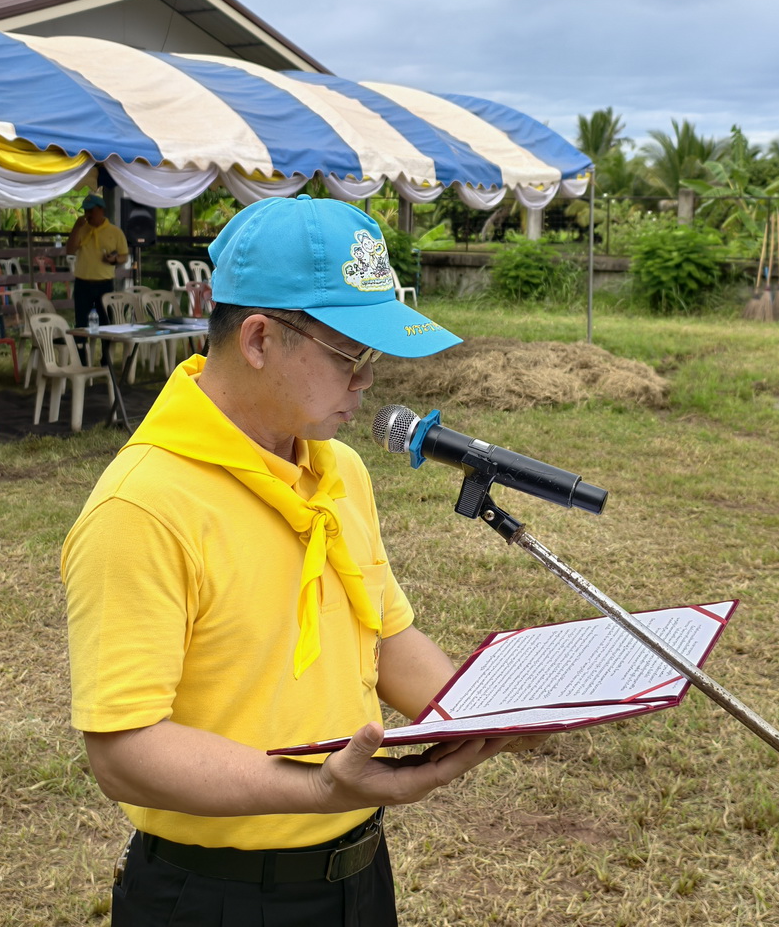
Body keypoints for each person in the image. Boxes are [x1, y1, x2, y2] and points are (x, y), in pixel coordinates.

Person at [63, 195, 519, 927]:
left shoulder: (336, 468)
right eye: (351, 356)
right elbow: (124, 749)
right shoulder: (144, 506)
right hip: (215, 896)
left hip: (358, 873)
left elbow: (383, 636)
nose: (368, 382)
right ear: (257, 339)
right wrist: (315, 790)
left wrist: (502, 711)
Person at [66, 193, 128, 328]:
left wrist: (114, 259)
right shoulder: (81, 229)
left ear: (101, 210)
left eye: (91, 210)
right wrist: (76, 227)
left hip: (104, 284)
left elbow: (124, 256)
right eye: (85, 211)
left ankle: (106, 349)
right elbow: (70, 250)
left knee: (105, 322)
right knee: (81, 323)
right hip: (83, 284)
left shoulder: (115, 232)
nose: (88, 214)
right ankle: (81, 348)